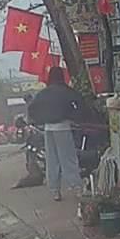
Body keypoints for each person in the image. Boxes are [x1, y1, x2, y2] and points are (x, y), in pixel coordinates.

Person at [27, 66, 84, 201]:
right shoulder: (66, 91)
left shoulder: (43, 93)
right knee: (68, 158)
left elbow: (32, 108)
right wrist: (75, 117)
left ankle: (55, 191)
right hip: (63, 127)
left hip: (48, 129)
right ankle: (76, 187)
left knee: (52, 160)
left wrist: (40, 120)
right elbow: (81, 104)